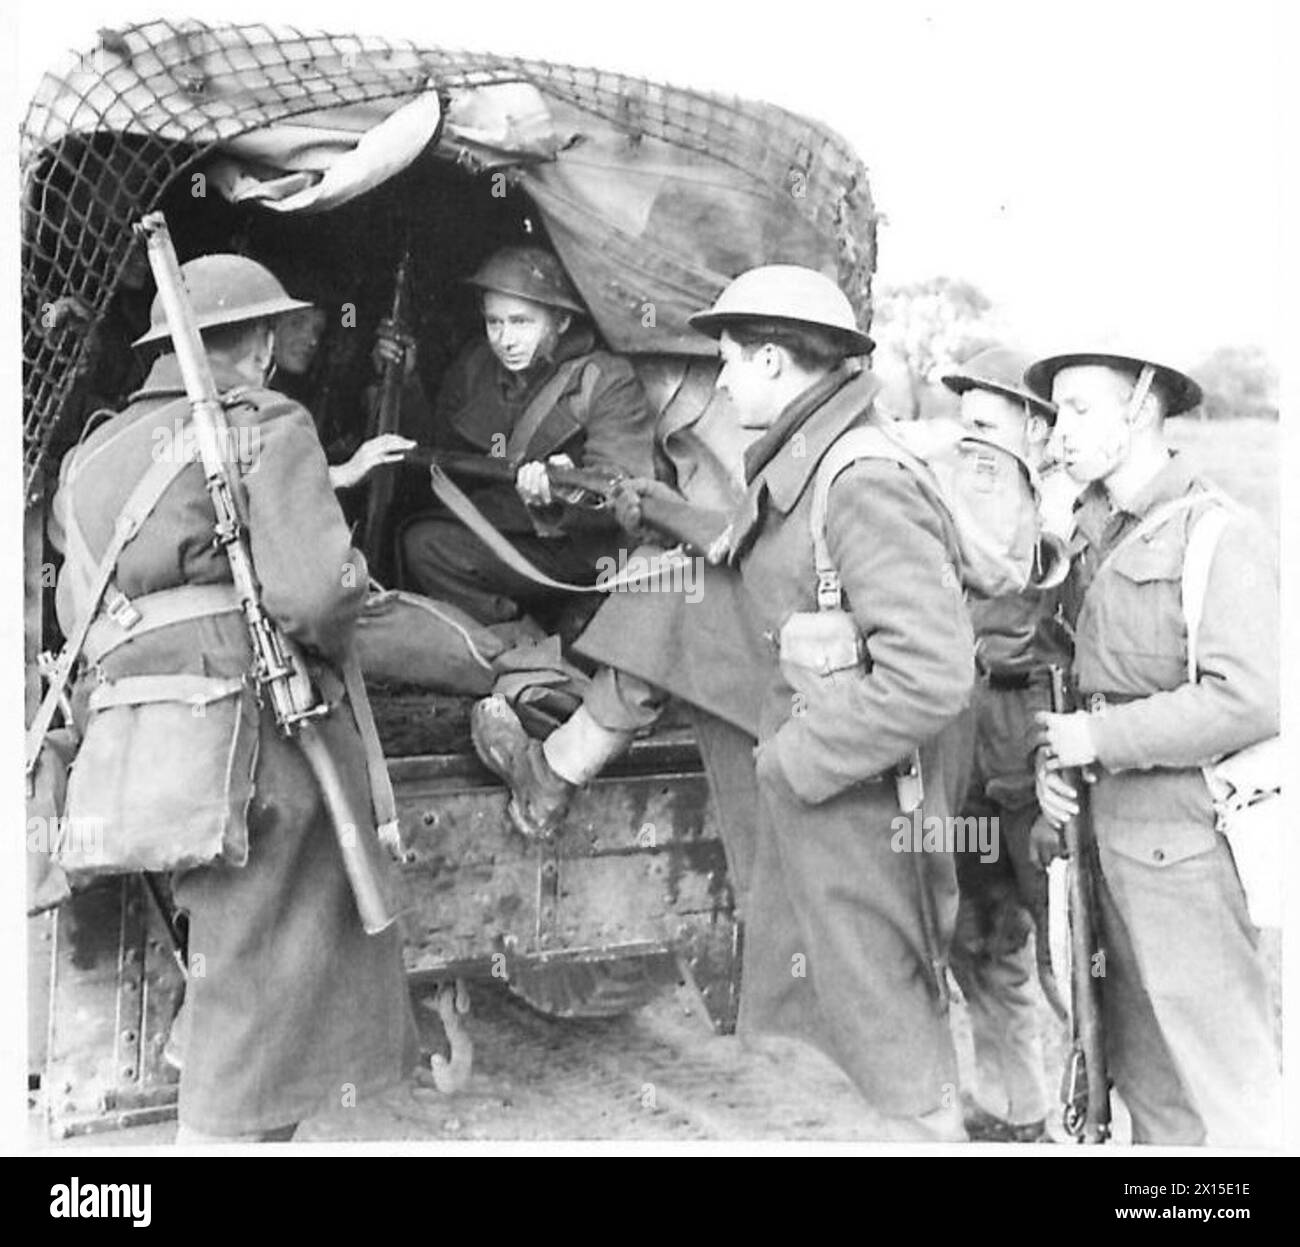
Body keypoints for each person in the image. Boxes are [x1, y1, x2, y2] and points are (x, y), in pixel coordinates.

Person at [50, 254, 418, 1143]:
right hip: (250, 734)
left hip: (131, 739)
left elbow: (74, 611)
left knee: (228, 944)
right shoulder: (266, 422)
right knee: (275, 951)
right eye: (272, 337)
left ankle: (211, 1058)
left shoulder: (92, 454)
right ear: (255, 343)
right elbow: (317, 596)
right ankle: (220, 1125)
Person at [695, 265, 975, 1139]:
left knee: (896, 1048)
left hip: (865, 804)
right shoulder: (808, 460)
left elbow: (930, 672)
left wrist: (794, 762)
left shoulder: (857, 478)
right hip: (837, 799)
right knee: (852, 1045)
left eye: (729, 360)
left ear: (773, 360)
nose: (721, 382)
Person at [1028, 345, 1281, 1146]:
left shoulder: (1219, 532)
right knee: (1147, 1095)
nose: (1059, 434)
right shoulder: (1084, 535)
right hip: (1099, 852)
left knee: (1230, 1095)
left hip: (1186, 860)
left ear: (1142, 406)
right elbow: (1062, 674)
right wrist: (1050, 765)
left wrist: (1097, 736)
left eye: (1080, 409)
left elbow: (1250, 698)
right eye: (1056, 414)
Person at [937, 346, 1066, 1143]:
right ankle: (1015, 1106)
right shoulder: (967, 487)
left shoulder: (1065, 507)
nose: (970, 440)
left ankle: (1111, 1120)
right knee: (981, 934)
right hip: (969, 730)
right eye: (965, 423)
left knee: (1066, 945)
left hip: (1038, 735)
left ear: (1037, 428)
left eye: (987, 422)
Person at [392, 245, 656, 625]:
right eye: (494, 322)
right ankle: (512, 633)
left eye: (521, 322)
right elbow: (437, 452)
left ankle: (513, 642)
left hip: (582, 546)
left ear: (561, 321)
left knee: (427, 545)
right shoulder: (475, 366)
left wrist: (569, 493)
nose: (505, 339)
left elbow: (622, 488)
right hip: (504, 523)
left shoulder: (605, 378)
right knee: (418, 538)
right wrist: (407, 384)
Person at [271, 302, 415, 493]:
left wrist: (395, 377)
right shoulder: (244, 404)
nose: (312, 340)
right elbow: (250, 487)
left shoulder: (319, 393)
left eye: (318, 330)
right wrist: (343, 475)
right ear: (267, 330)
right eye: (296, 323)